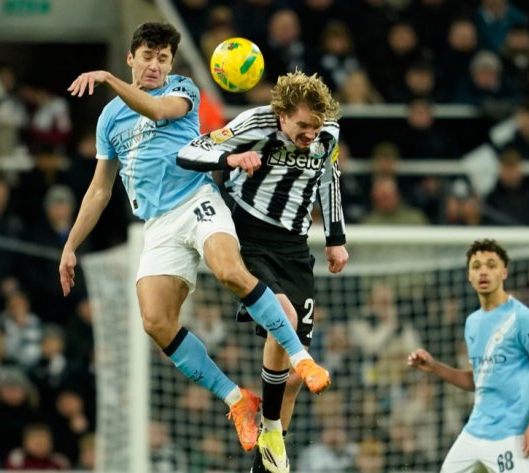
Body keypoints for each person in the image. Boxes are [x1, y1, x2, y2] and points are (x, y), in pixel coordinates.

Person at [57, 22, 331, 452]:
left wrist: (108, 79)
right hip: (157, 224)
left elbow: (156, 111)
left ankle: (301, 358)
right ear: (131, 58)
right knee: (155, 321)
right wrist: (70, 245)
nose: (154, 65)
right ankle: (237, 400)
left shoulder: (182, 89)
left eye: (162, 58)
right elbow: (99, 189)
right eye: (147, 56)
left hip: (197, 201)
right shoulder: (109, 118)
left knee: (228, 270)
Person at [177, 70, 349, 473]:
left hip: (295, 248)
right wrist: (232, 158)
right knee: (284, 317)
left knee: (292, 380)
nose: (310, 134)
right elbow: (189, 152)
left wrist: (335, 238)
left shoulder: (328, 135)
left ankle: (265, 460)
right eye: (302, 125)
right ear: (282, 115)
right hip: (249, 237)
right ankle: (270, 430)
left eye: (315, 126)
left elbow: (330, 179)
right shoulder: (254, 122)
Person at [407, 239, 529, 473]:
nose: (483, 272)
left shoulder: (523, 318)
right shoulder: (472, 322)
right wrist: (435, 367)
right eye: (476, 266)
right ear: (469, 276)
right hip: (474, 432)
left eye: (491, 265)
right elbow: (478, 380)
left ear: (504, 272)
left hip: (512, 436)